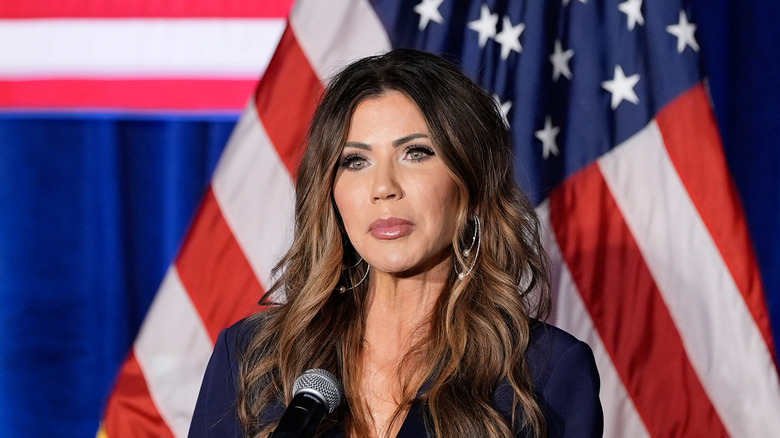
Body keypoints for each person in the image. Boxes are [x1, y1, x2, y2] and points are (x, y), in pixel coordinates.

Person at [189, 48, 602, 438]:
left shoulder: (547, 372)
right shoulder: (252, 359)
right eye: (356, 161)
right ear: (332, 195)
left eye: (416, 153)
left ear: (472, 184)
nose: (383, 187)